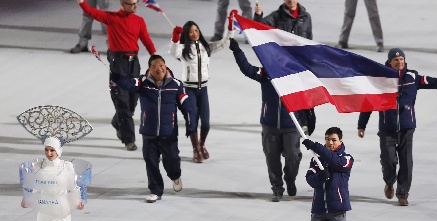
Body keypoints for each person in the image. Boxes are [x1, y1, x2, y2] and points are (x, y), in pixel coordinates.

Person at [357, 48, 437, 206]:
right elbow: (368, 103)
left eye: (402, 59)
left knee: (406, 162)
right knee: (388, 161)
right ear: (390, 62)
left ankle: (402, 194)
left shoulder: (413, 77)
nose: (399, 62)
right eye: (396, 60)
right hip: (387, 128)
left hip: (407, 128)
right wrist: (362, 125)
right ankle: (389, 182)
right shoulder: (380, 80)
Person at [230, 38, 310, 202]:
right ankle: (277, 188)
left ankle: (290, 179)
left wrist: (305, 123)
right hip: (270, 125)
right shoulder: (266, 74)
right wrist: (237, 51)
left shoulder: (296, 77)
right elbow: (247, 69)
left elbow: (306, 101)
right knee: (272, 159)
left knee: (293, 156)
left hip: (291, 125)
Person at [111, 55, 196, 203]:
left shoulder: (176, 85)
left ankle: (175, 176)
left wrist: (191, 124)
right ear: (150, 69)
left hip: (168, 134)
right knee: (151, 162)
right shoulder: (143, 82)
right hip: (149, 133)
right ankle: (155, 190)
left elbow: (186, 106)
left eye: (161, 65)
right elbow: (128, 84)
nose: (159, 68)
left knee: (172, 162)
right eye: (155, 66)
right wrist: (116, 76)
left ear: (165, 66)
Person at [76, 0, 157, 151]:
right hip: (118, 64)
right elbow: (92, 12)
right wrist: (82, 2)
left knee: (132, 102)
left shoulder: (139, 20)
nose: (135, 6)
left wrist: (156, 57)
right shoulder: (111, 18)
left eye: (136, 3)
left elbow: (146, 39)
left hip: (134, 63)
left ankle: (117, 122)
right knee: (122, 102)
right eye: (132, 4)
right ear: (123, 4)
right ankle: (129, 140)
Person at [168, 20, 231, 163]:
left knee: (206, 123)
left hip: (203, 89)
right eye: (191, 31)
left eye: (196, 30)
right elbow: (173, 52)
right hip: (189, 89)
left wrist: (230, 27)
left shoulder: (206, 47)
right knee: (192, 121)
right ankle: (195, 149)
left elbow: (224, 43)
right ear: (186, 34)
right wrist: (175, 37)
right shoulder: (183, 49)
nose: (194, 33)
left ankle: (202, 144)